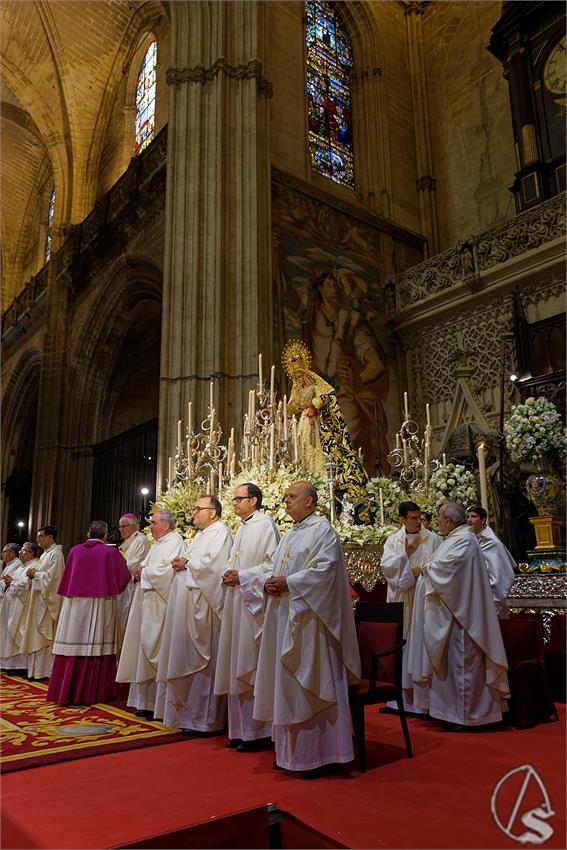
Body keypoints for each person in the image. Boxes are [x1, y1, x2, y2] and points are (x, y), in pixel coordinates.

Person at [253, 481, 360, 777]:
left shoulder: (322, 530)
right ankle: (290, 752)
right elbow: (277, 569)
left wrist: (290, 583)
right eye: (286, 496)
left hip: (311, 622)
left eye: (292, 497)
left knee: (309, 682)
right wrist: (270, 583)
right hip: (285, 615)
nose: (286, 501)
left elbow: (325, 573)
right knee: (287, 685)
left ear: (310, 501)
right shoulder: (291, 533)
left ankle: (319, 754)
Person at [407, 501, 510, 730]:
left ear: (449, 521)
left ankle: (469, 715)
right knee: (455, 665)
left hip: (464, 616)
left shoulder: (464, 540)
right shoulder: (456, 538)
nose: (439, 523)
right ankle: (455, 712)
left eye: (441, 519)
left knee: (464, 664)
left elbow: (449, 568)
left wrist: (425, 569)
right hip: (454, 611)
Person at [154, 495, 233, 734]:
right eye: (194, 508)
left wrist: (186, 564)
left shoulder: (221, 533)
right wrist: (184, 562)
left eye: (199, 509)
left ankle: (204, 720)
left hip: (203, 609)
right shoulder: (200, 535)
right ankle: (185, 716)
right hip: (186, 606)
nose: (194, 513)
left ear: (214, 512)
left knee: (203, 664)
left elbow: (214, 568)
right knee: (182, 657)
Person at [214, 483, 280, 751]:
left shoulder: (265, 525)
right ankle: (239, 731)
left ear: (253, 501)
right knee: (235, 661)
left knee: (249, 665)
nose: (234, 503)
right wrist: (230, 573)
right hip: (236, 602)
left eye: (239, 499)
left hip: (253, 607)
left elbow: (273, 565)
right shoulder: (243, 527)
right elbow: (234, 561)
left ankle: (258, 733)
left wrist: (243, 576)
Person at [46, 521, 131, 704]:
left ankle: (66, 688)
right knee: (96, 643)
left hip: (74, 605)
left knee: (72, 643)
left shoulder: (75, 550)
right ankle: (95, 690)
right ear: (105, 535)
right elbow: (124, 577)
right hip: (99, 604)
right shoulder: (110, 552)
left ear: (88, 534)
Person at [284, 340, 368, 512]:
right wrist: (281, 410)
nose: (299, 379)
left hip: (314, 421)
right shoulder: (296, 388)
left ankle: (320, 480)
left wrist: (314, 404)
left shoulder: (313, 380)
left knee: (317, 449)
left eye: (297, 359)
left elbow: (327, 394)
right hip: (302, 424)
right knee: (303, 448)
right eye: (292, 361)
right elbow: (291, 406)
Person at [116, 510, 185, 718]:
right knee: (143, 649)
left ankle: (157, 703)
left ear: (166, 524)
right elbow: (146, 565)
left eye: (154, 522)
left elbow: (168, 572)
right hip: (147, 603)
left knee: (156, 649)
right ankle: (144, 701)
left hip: (159, 606)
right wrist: (141, 569)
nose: (151, 526)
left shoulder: (175, 542)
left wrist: (143, 572)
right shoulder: (159, 544)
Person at [380, 501, 441, 713]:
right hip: (401, 598)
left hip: (423, 598)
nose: (418, 522)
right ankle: (397, 701)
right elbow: (386, 567)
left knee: (421, 643)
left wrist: (421, 570)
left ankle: (423, 704)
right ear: (402, 519)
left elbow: (441, 564)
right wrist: (404, 556)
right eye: (413, 518)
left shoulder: (433, 539)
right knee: (400, 644)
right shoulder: (393, 540)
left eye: (419, 517)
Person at [19, 526, 65, 679]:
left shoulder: (56, 555)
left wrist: (36, 574)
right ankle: (34, 671)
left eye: (41, 536)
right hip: (37, 601)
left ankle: (44, 671)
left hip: (46, 603)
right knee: (35, 635)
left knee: (43, 635)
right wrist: (32, 575)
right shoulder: (46, 554)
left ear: (51, 537)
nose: (38, 539)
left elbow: (55, 579)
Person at [466, 505, 516, 619]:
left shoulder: (492, 543)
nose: (469, 520)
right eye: (468, 517)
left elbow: (503, 575)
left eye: (473, 516)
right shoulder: (470, 539)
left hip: (487, 598)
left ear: (483, 520)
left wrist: (493, 600)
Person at [117, 513, 150, 634]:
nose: (121, 530)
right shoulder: (129, 541)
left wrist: (117, 561)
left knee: (127, 620)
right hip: (123, 586)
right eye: (120, 527)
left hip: (131, 587)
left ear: (133, 526)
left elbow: (134, 565)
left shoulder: (140, 540)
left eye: (123, 527)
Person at [0, 543, 29, 671]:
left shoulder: (16, 565)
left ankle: (14, 665)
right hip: (8, 602)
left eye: (5, 551)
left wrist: (7, 582)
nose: (2, 554)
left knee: (13, 634)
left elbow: (11, 582)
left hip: (17, 604)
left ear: (12, 553)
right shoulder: (11, 566)